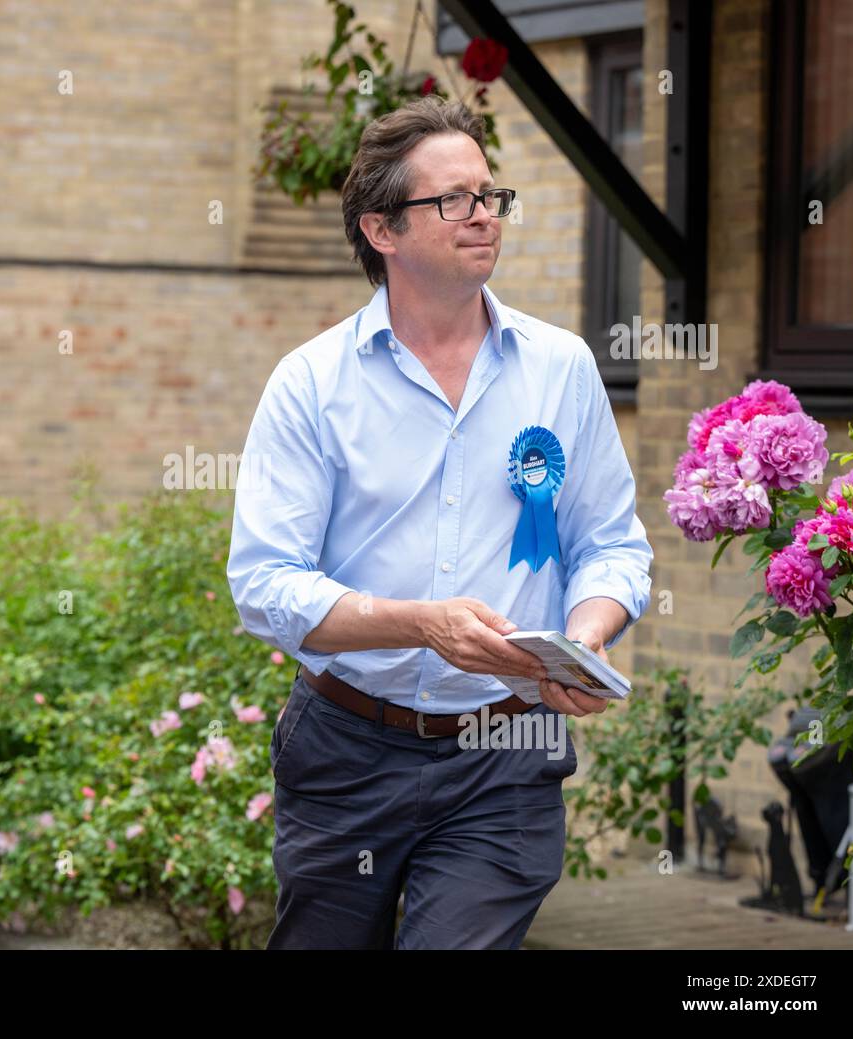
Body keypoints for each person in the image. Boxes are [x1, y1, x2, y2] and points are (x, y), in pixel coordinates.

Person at [227, 97, 653, 949]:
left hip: (506, 749)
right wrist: (422, 625)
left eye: (491, 195)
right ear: (382, 230)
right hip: (347, 745)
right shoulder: (312, 383)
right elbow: (265, 585)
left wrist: (584, 637)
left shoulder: (561, 368)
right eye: (452, 199)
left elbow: (611, 544)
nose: (483, 216)